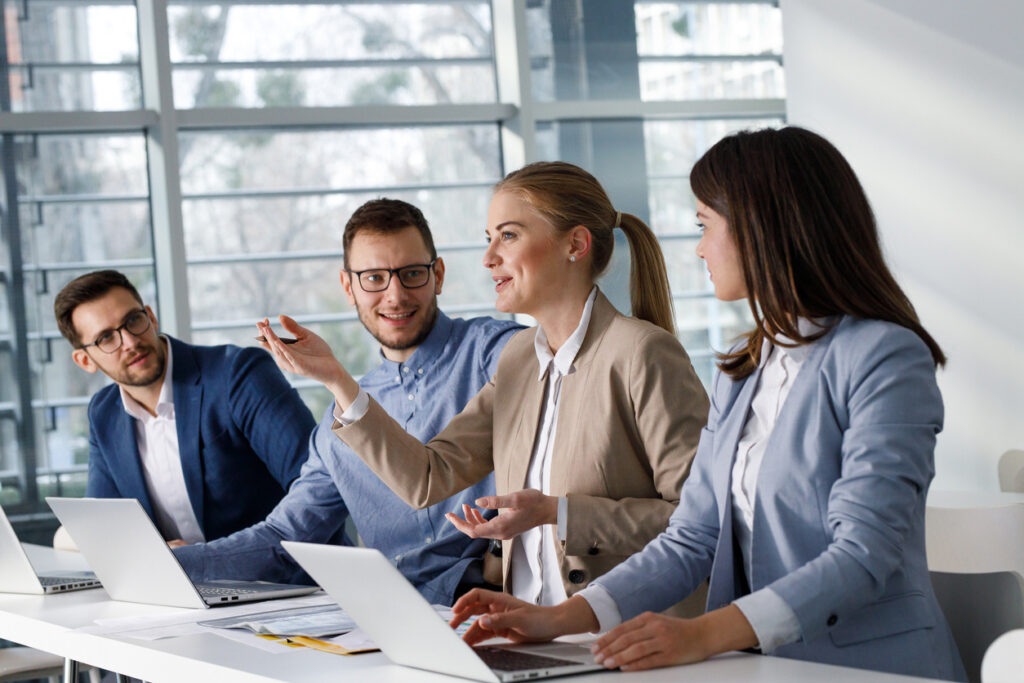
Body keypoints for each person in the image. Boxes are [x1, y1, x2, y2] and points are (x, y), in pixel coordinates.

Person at [447, 127, 967, 682]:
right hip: (756, 668)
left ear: (762, 227)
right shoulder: (744, 370)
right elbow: (694, 535)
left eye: (704, 226)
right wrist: (558, 618)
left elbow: (863, 554)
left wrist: (701, 634)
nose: (697, 248)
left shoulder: (885, 356)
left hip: (869, 670)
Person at [257, 162, 710, 613]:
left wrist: (559, 513)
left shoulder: (643, 354)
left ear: (574, 244)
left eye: (508, 236)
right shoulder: (518, 361)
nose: (488, 257)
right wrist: (337, 380)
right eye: (488, 238)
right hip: (532, 633)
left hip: (624, 634)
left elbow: (701, 522)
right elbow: (428, 478)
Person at [173, 198, 522, 604]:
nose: (395, 296)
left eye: (411, 274)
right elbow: (285, 536)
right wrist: (178, 563)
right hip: (392, 618)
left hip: (497, 603)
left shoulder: (496, 353)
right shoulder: (340, 420)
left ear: (438, 275)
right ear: (348, 286)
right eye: (374, 277)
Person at [54, 270, 315, 545]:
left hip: (290, 580)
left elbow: (316, 491)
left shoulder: (238, 375)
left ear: (151, 317)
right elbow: (103, 527)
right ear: (85, 360)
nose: (130, 342)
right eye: (106, 338)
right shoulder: (104, 413)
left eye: (133, 320)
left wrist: (203, 561)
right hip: (178, 585)